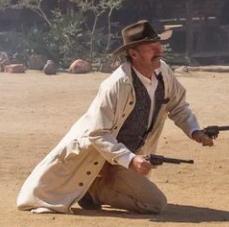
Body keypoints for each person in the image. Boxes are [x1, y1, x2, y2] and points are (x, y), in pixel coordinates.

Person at [17, 21, 215, 215]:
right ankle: (93, 189)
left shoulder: (163, 71)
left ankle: (96, 188)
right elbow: (98, 133)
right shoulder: (116, 85)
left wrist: (195, 131)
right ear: (133, 53)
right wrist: (130, 160)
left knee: (151, 203)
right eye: (151, 47)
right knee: (157, 204)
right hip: (97, 156)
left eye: (159, 45)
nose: (159, 51)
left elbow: (179, 106)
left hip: (127, 159)